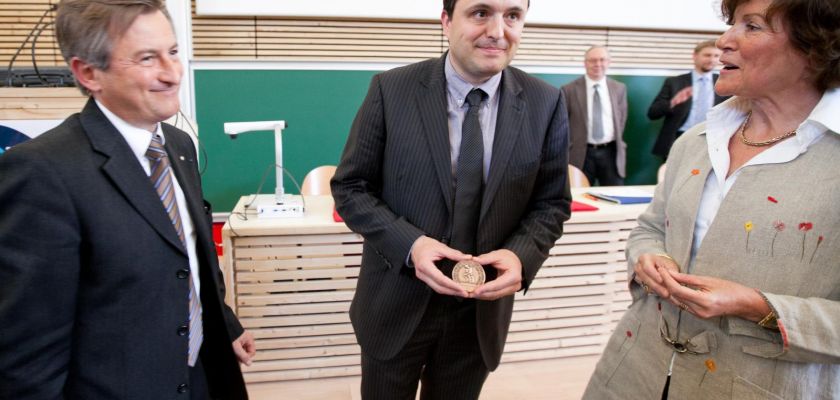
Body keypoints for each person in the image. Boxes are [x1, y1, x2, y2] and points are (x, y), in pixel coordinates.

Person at [583, 0, 840, 398]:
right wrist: (650, 257)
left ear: (815, 46)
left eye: (751, 27)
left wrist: (758, 307)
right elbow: (650, 228)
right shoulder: (698, 140)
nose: (724, 40)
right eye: (731, 23)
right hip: (634, 372)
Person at [0, 1, 255, 398]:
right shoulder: (41, 172)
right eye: (147, 58)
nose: (172, 74)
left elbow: (186, 258)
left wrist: (224, 323)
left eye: (172, 52)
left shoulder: (178, 146)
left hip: (201, 378)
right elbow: (28, 357)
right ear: (89, 73)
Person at [331, 0, 571, 398]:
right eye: (480, 13)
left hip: (478, 314)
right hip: (396, 301)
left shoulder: (546, 103)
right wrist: (412, 245)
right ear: (446, 21)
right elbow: (351, 187)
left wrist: (520, 256)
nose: (498, 30)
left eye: (512, 15)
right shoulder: (391, 90)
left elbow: (551, 203)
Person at [648, 40, 729, 160]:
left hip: (712, 140)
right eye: (707, 55)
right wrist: (672, 102)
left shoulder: (725, 83)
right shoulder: (674, 82)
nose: (712, 60)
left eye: (716, 56)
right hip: (678, 139)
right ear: (694, 56)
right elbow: (652, 113)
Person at [563, 45, 628, 186]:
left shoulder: (619, 88)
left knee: (615, 196)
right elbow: (563, 124)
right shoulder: (569, 90)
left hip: (611, 153)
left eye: (602, 60)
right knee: (578, 197)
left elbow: (621, 119)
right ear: (585, 63)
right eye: (592, 60)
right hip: (581, 154)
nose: (598, 64)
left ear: (608, 62)